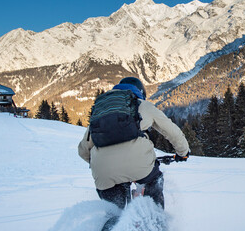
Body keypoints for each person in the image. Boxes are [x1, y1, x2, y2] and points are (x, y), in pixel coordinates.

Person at [78, 77, 190, 211]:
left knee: (114, 212)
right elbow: (172, 132)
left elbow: (83, 150)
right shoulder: (143, 105)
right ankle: (156, 221)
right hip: (140, 166)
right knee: (154, 180)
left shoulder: (102, 112)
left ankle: (111, 226)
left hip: (103, 173)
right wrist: (182, 153)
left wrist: (103, 163)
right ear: (141, 92)